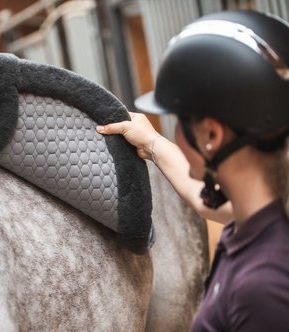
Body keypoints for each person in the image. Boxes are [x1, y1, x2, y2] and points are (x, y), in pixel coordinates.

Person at [97, 10, 289, 332]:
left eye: (177, 121)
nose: (174, 133)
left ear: (212, 136)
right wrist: (154, 144)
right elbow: (203, 201)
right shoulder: (260, 218)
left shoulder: (262, 288)